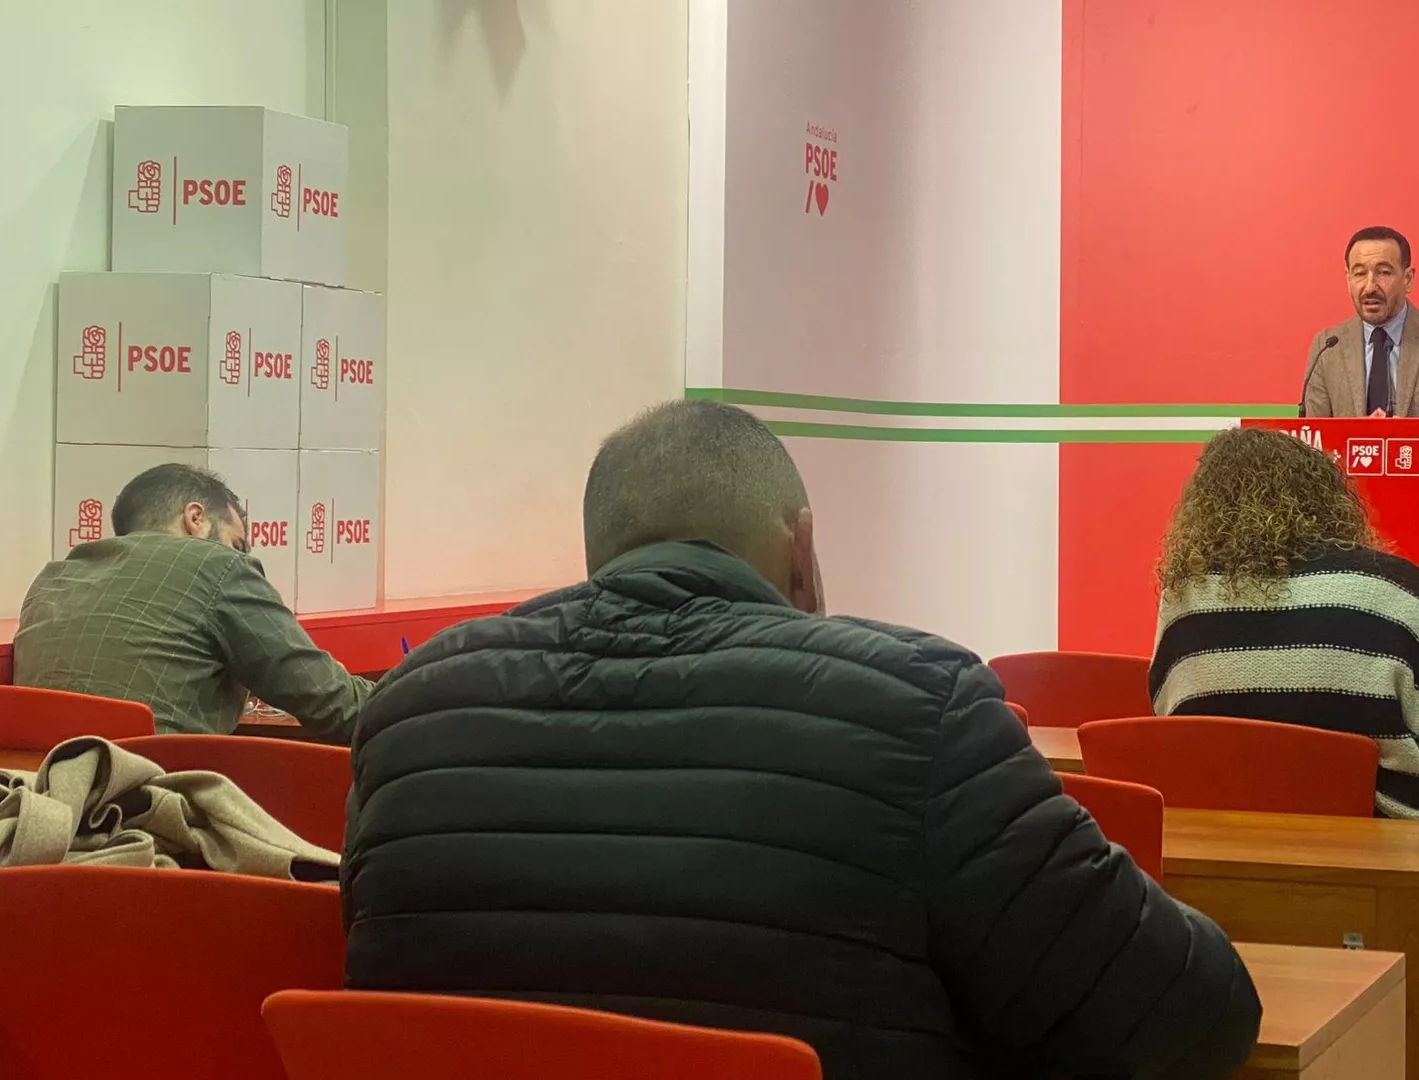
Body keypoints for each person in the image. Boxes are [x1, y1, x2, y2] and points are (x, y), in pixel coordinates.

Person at [344, 400, 1262, 1080]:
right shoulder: (919, 706)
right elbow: (1190, 1020)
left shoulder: (411, 709)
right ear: (803, 552)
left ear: (599, 552)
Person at [1150, 427, 1419, 828]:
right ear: (1326, 499)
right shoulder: (1388, 591)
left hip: (1219, 869)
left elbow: (1174, 730)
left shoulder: (1184, 602)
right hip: (1390, 884)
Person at [12, 464, 371, 738]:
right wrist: (420, 695)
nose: (241, 555)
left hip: (39, 805)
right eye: (237, 543)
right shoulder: (218, 566)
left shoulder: (53, 579)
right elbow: (330, 702)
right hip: (154, 807)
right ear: (195, 518)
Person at [1301, 225, 1419, 595]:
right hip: (1347, 534)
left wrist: (1408, 435)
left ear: (1408, 278)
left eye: (1384, 271)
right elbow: (1313, 444)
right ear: (1347, 278)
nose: (1370, 285)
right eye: (1359, 273)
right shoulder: (1329, 345)